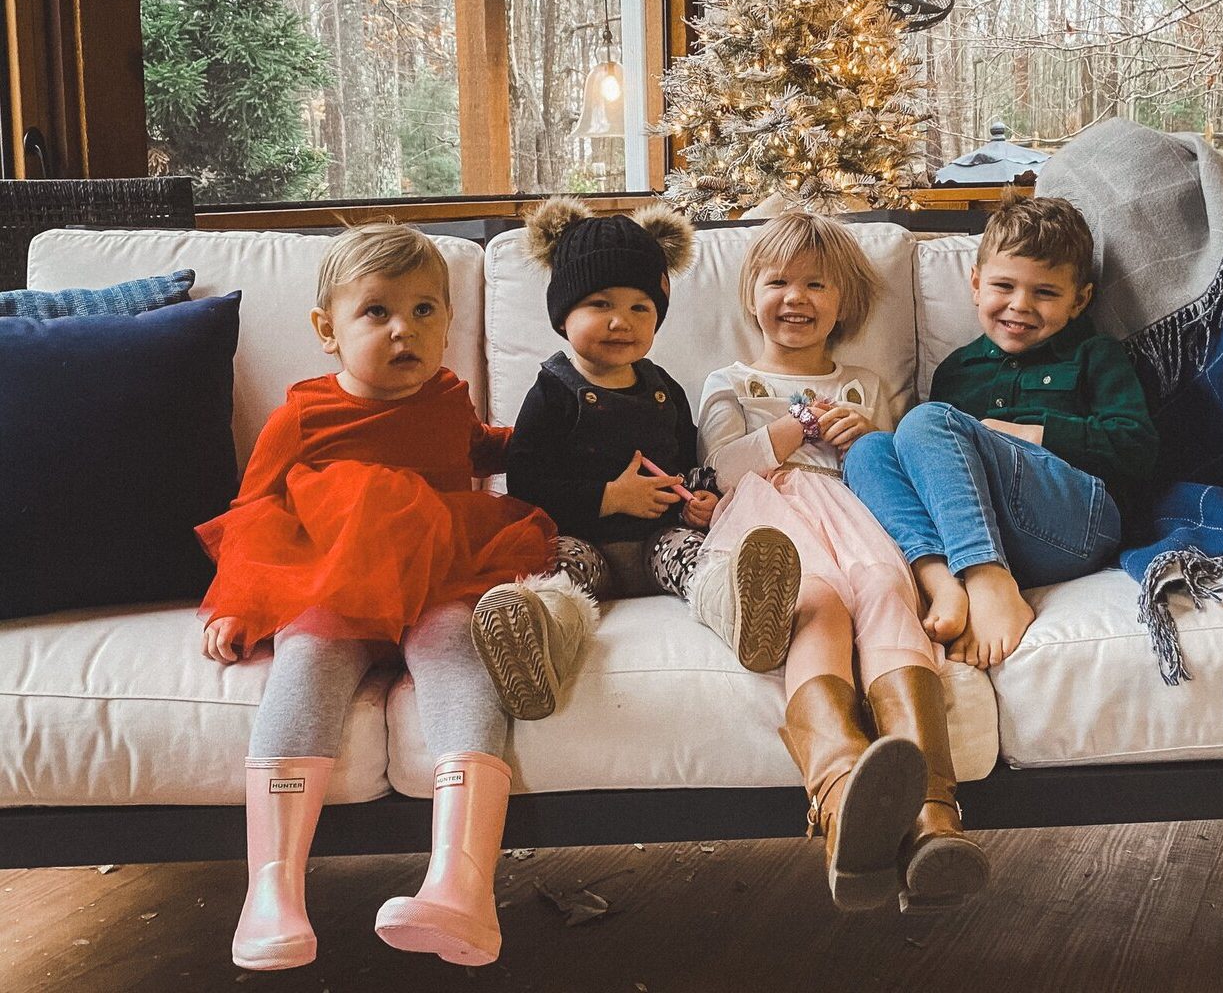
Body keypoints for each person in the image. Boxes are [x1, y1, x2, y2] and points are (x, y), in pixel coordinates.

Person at [195, 223, 581, 971]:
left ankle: (461, 888)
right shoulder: (302, 416)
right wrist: (239, 604)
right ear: (327, 330)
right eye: (377, 312)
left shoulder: (447, 397)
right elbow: (253, 511)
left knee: (461, 652)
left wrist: (540, 435)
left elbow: (477, 447)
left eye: (424, 310)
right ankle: (271, 890)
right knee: (306, 661)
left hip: (441, 576)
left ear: (447, 322)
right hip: (330, 584)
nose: (405, 329)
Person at [697, 211, 989, 914]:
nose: (795, 298)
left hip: (853, 508)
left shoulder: (863, 382)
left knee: (887, 590)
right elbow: (720, 469)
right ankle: (839, 792)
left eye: (816, 285)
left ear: (844, 303)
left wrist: (865, 434)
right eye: (778, 282)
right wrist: (791, 427)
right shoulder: (728, 381)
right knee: (818, 601)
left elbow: (892, 466)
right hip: (770, 512)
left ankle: (933, 817)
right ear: (751, 295)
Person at [477, 198, 802, 720]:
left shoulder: (663, 388)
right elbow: (527, 483)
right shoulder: (553, 392)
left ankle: (742, 611)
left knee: (698, 559)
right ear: (563, 315)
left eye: (639, 308)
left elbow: (688, 460)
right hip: (585, 542)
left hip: (658, 541)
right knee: (559, 573)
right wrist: (607, 497)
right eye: (600, 304)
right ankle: (540, 640)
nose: (619, 322)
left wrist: (701, 498)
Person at [845, 191, 1158, 668]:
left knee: (926, 420)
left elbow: (1137, 447)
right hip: (993, 531)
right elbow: (937, 472)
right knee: (868, 449)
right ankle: (942, 581)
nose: (1020, 305)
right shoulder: (957, 371)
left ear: (1080, 300)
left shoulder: (1095, 355)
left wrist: (1030, 432)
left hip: (1078, 523)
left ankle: (986, 575)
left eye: (1045, 293)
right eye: (1003, 286)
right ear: (976, 284)